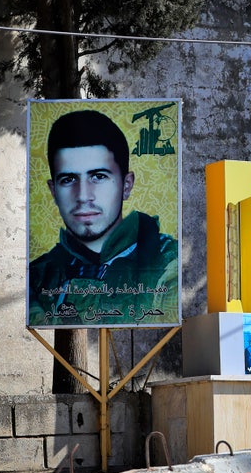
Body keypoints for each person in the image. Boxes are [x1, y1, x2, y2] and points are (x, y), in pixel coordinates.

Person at [28, 109, 178, 326]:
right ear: (53, 191)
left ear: (127, 185)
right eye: (69, 179)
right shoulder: (37, 277)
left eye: (98, 176)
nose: (83, 196)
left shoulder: (169, 263)